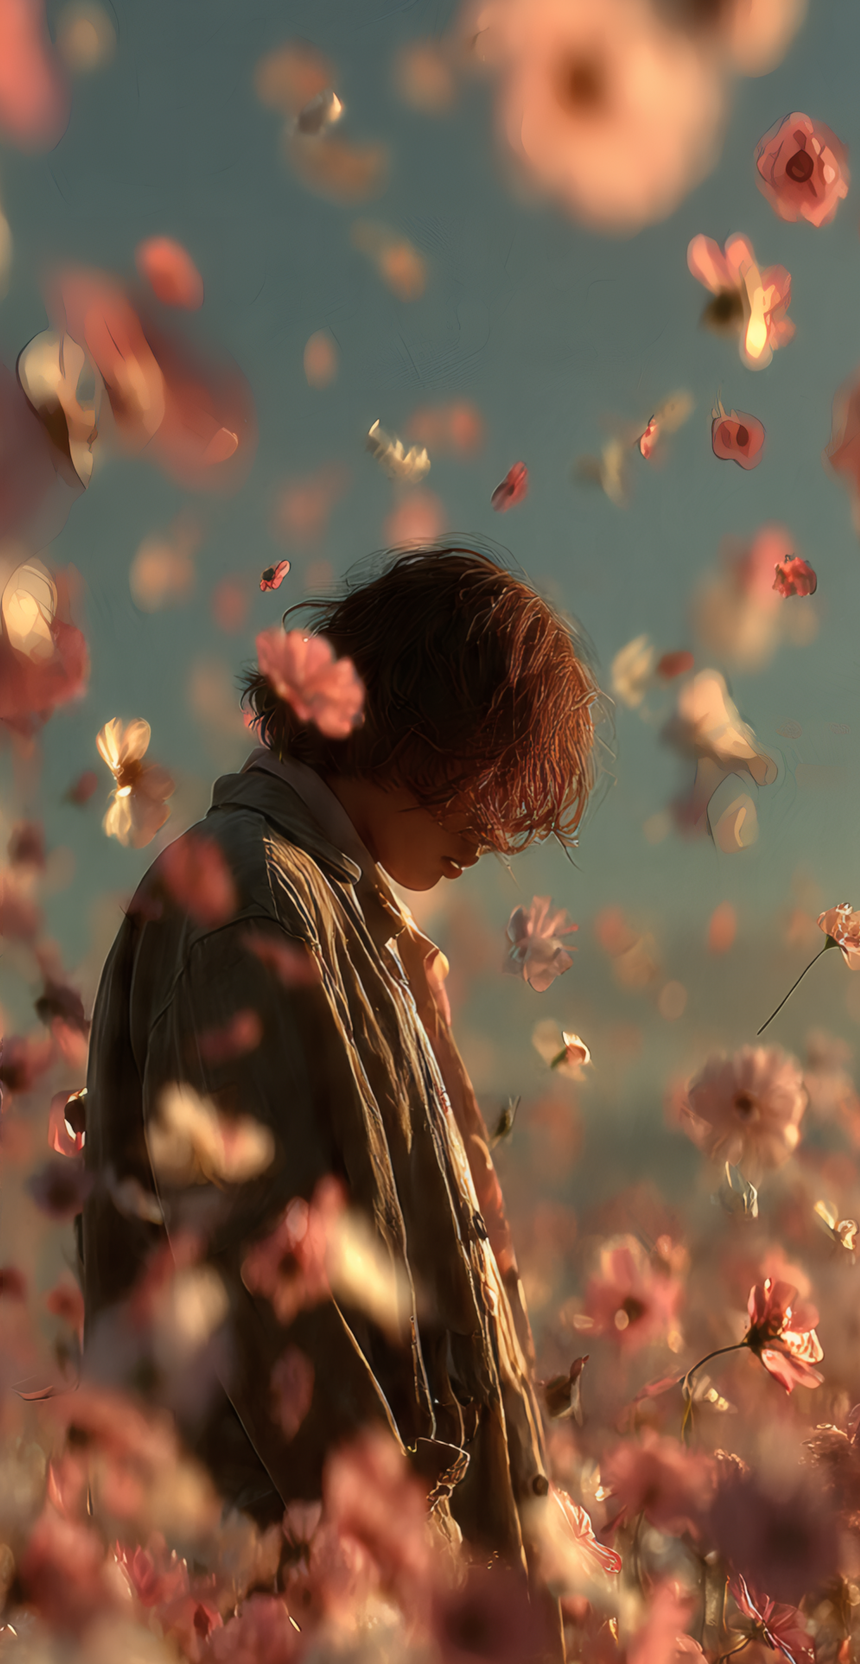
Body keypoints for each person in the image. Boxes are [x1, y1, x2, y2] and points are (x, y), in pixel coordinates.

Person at [79, 543, 599, 1603]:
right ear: (416, 721)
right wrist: (409, 1567)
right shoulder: (248, 899)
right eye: (491, 777)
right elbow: (270, 1280)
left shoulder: (333, 910)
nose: (496, 834)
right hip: (304, 1610)